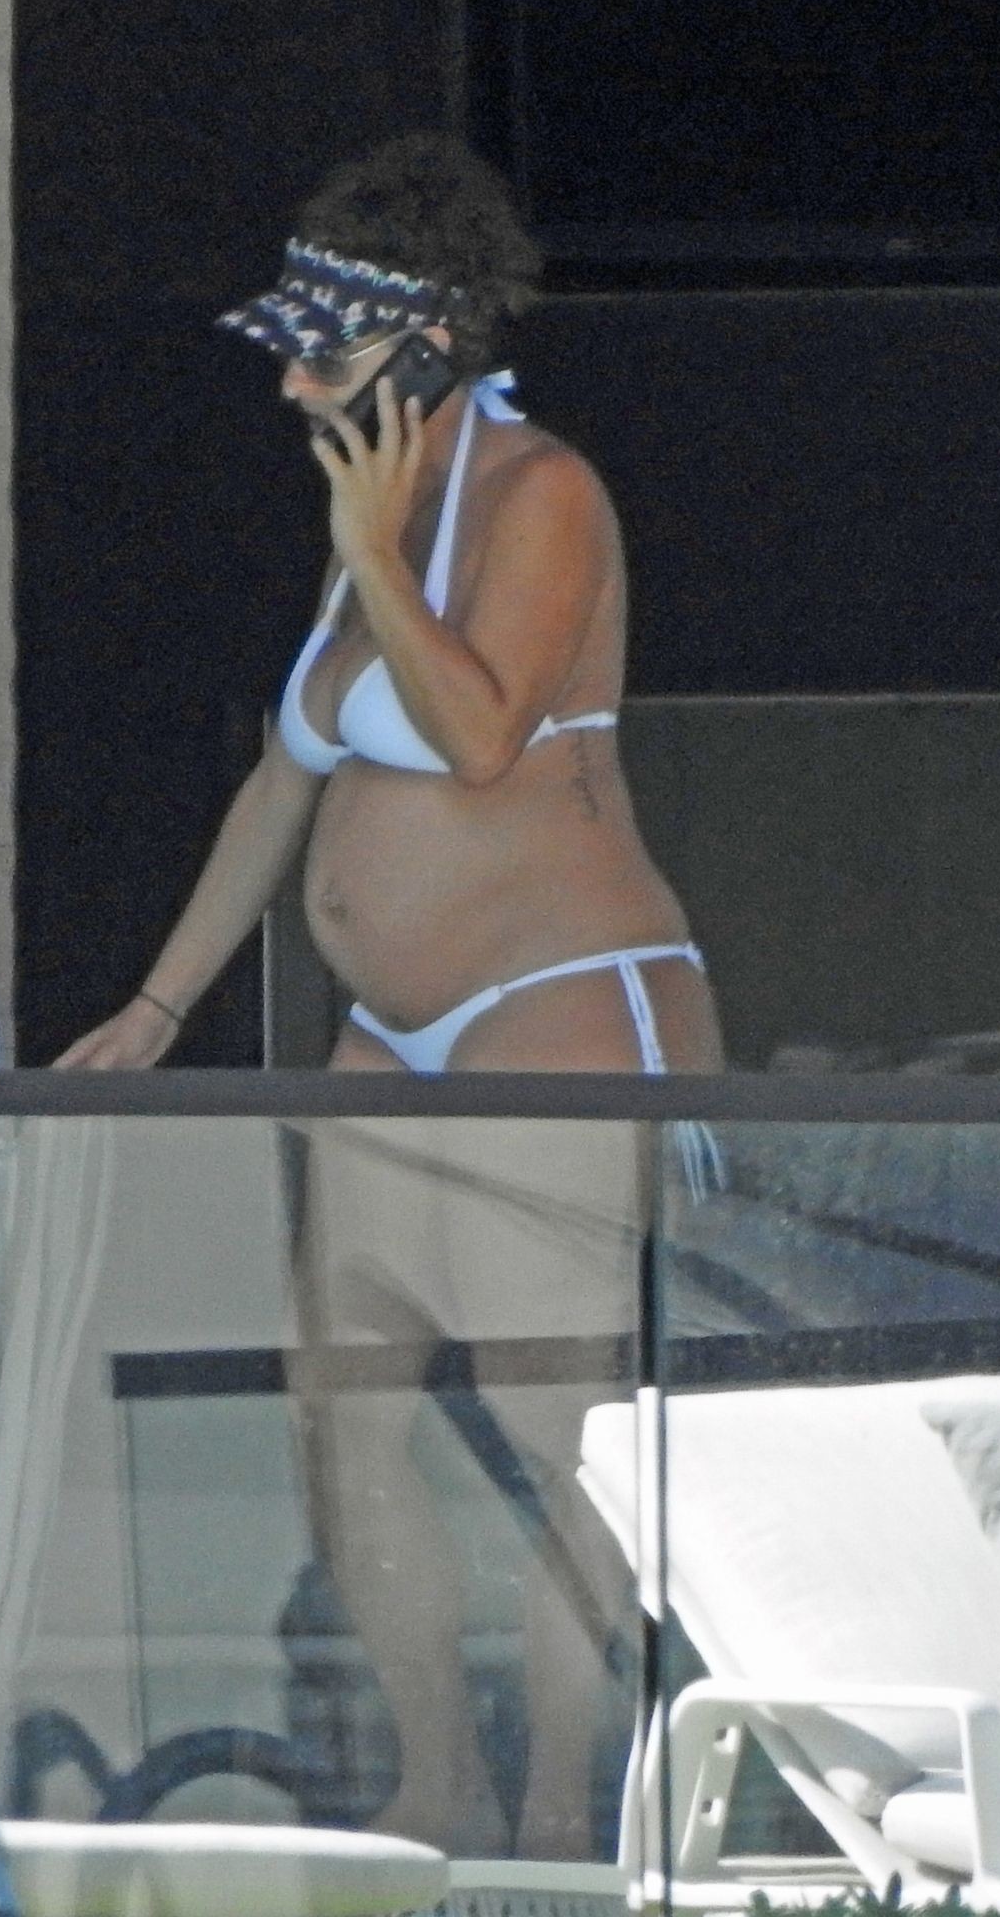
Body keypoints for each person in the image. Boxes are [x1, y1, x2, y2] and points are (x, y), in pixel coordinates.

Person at [56, 135, 725, 1857]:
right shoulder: (377, 520)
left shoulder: (541, 490)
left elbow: (481, 733)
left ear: (425, 343)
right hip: (393, 1031)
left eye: (324, 354)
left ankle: (563, 1821)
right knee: (340, 1406)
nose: (291, 385)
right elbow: (286, 780)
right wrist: (157, 1005)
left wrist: (371, 545)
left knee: (558, 1429)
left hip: (557, 1001)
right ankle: (439, 1782)